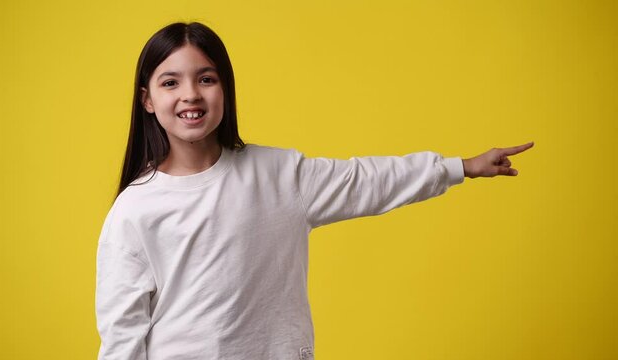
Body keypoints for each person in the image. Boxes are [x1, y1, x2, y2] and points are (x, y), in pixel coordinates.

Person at [95, 21, 533, 360]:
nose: (190, 94)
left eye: (206, 79)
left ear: (225, 87)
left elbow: (367, 180)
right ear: (147, 99)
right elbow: (123, 330)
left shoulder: (280, 175)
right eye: (170, 82)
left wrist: (459, 167)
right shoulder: (136, 209)